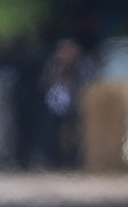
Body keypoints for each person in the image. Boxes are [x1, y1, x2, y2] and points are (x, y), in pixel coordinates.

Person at [33, 38, 95, 167]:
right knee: (49, 130)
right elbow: (44, 84)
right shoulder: (53, 65)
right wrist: (60, 72)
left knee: (77, 133)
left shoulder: (83, 66)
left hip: (76, 105)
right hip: (54, 106)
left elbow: (88, 85)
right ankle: (50, 159)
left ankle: (75, 159)